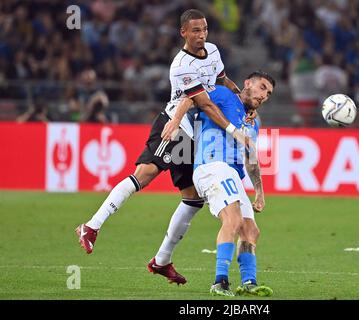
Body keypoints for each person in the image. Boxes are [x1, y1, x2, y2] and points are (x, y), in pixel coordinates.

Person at [75, 9, 253, 285]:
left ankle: (161, 261)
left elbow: (222, 81)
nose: (201, 35)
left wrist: (240, 99)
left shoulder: (214, 51)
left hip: (193, 135)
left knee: (193, 199)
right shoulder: (181, 66)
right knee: (143, 175)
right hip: (174, 127)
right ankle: (91, 226)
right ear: (183, 32)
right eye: (195, 30)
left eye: (204, 29)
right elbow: (203, 102)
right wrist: (233, 129)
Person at [165, 71, 274, 296]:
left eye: (269, 93)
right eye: (262, 87)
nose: (265, 95)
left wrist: (260, 192)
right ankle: (220, 281)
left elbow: (251, 159)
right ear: (247, 83)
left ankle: (249, 282)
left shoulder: (254, 122)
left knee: (251, 231)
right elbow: (191, 97)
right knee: (232, 219)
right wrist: (175, 120)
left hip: (232, 174)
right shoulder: (224, 95)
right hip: (211, 166)